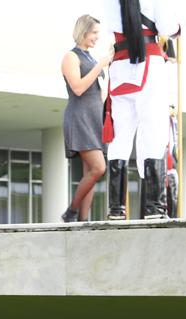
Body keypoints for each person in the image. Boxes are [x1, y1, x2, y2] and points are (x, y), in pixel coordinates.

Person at [104, 0, 180, 220]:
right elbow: (168, 28)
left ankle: (116, 209)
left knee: (119, 138)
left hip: (119, 65)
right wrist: (178, 28)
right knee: (154, 133)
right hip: (149, 63)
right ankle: (154, 208)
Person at [61, 14, 112, 223]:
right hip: (79, 116)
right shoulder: (71, 57)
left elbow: (99, 92)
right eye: (94, 33)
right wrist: (100, 66)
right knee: (99, 168)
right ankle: (71, 212)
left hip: (94, 117)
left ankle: (83, 219)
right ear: (83, 31)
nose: (96, 37)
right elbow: (79, 88)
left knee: (90, 172)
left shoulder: (91, 57)